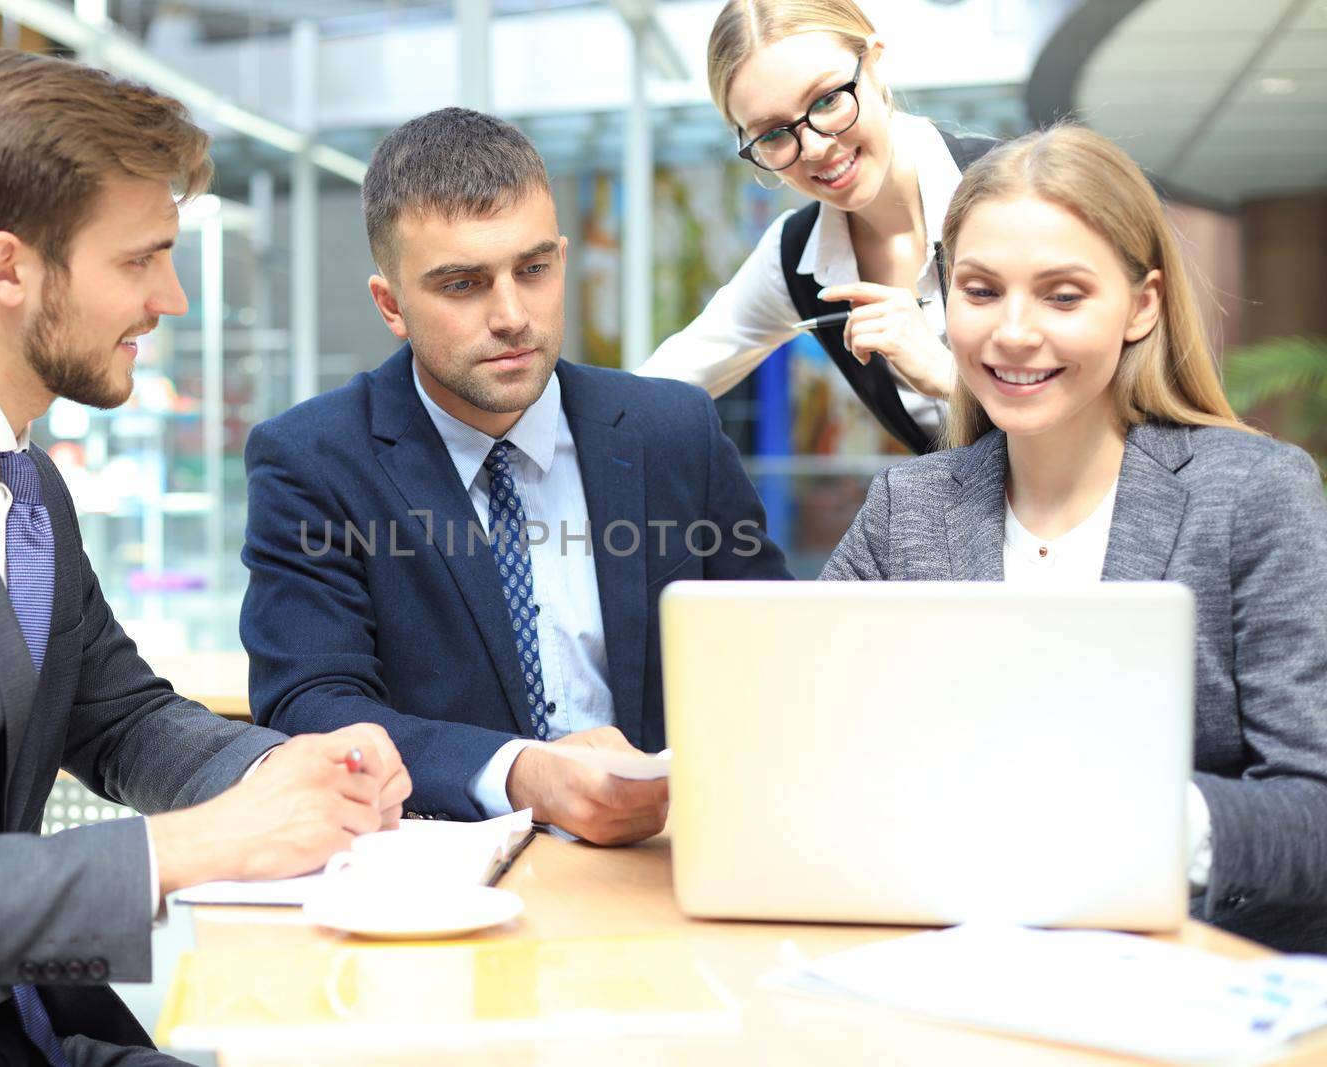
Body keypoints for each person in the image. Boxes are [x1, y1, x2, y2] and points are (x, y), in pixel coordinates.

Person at [0, 49, 410, 1066]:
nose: (170, 298)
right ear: (9, 269)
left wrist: (290, 767)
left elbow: (121, 715)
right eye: (139, 260)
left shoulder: (26, 481)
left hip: (16, 1020)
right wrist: (188, 846)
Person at [822, 124, 1327, 952]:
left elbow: (1314, 807)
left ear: (1142, 305)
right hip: (950, 959)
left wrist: (1116, 818)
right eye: (981, 291)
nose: (1013, 333)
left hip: (1195, 978)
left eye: (1063, 295)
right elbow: (803, 737)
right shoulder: (905, 509)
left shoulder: (1254, 495)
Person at [240, 108, 790, 845]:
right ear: (390, 305)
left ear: (561, 258)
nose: (512, 316)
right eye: (462, 285)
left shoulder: (673, 431)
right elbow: (310, 704)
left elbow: (774, 651)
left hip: (666, 859)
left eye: (533, 270)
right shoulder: (313, 460)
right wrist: (523, 772)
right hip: (445, 878)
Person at [637, 0, 998, 455]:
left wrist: (946, 375)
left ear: (876, 62)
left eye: (827, 100)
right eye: (771, 134)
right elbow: (652, 391)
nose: (813, 148)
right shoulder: (796, 258)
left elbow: (1106, 388)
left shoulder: (1019, 190)